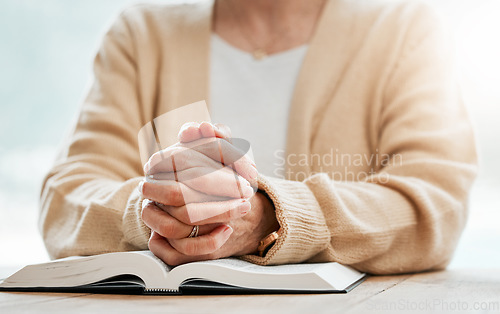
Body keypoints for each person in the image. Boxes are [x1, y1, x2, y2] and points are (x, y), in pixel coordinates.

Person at [40, 0, 477, 274]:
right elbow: (66, 197)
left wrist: (268, 218)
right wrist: (161, 212)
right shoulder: (141, 35)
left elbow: (435, 203)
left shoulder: (405, 30)